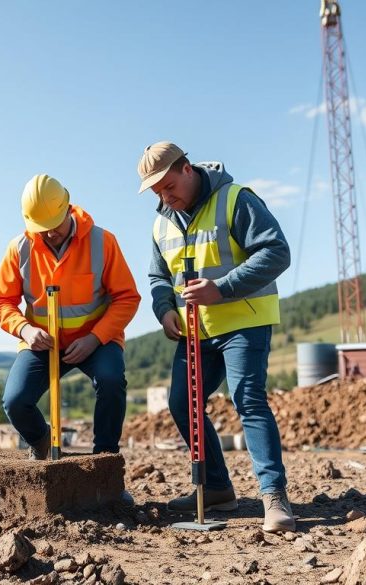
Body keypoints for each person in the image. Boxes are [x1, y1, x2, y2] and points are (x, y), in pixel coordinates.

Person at [137, 141, 294, 532]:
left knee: (248, 399)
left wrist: (221, 288)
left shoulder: (235, 200)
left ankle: (274, 496)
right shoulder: (161, 222)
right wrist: (164, 309)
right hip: (194, 331)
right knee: (181, 402)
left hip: (243, 321)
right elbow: (159, 277)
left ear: (187, 169)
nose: (164, 197)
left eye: (168, 186)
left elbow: (276, 252)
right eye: (156, 192)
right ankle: (218, 488)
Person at [0, 174, 141, 463]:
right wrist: (25, 330)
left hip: (95, 340)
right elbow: (0, 300)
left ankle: (105, 460)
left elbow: (127, 297)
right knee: (15, 401)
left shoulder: (102, 241)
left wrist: (95, 337)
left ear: (67, 209)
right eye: (39, 228)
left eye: (52, 226)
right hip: (42, 343)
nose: (47, 234)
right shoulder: (20, 248)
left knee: (111, 381)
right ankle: (41, 441)